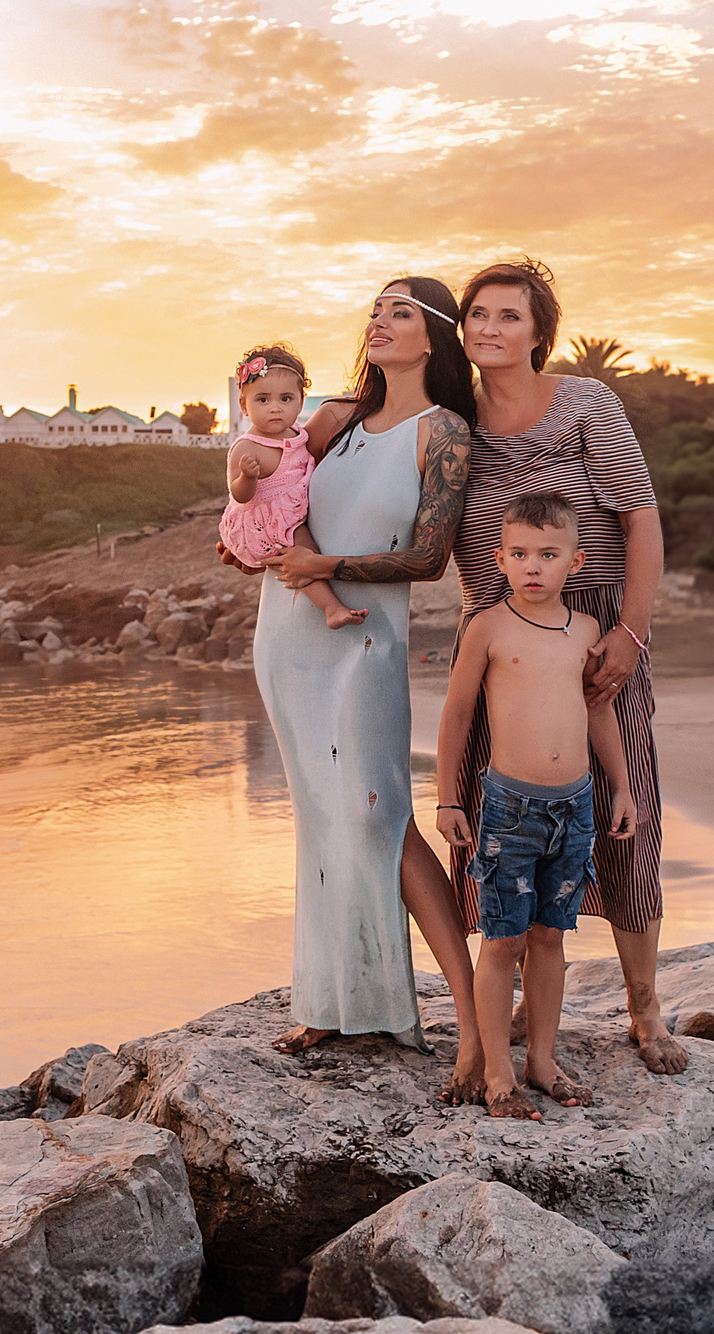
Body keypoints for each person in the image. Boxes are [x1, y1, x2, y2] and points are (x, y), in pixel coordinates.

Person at [229, 278, 486, 1103]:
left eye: (399, 311)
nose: (378, 320)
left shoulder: (442, 432)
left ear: (434, 337)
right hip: (290, 634)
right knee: (322, 815)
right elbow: (271, 491)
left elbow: (430, 558)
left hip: (366, 636)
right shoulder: (331, 416)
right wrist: (246, 534)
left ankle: (475, 1025)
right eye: (376, 309)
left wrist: (326, 566)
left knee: (379, 813)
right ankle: (333, 1002)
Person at [448, 258, 687, 1075]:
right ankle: (508, 1002)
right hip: (498, 640)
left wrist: (631, 632)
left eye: (509, 315)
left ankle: (645, 1006)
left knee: (628, 806)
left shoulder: (587, 403)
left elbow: (641, 520)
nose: (489, 328)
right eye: (478, 313)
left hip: (594, 634)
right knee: (495, 821)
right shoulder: (453, 424)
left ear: (538, 331)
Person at [436, 492, 636, 1120]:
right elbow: (458, 714)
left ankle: (542, 1060)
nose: (532, 566)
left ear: (575, 562)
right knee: (502, 940)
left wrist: (623, 786)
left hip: (574, 808)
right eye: (519, 553)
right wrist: (448, 798)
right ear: (499, 558)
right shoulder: (488, 628)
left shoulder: (585, 631)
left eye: (547, 554)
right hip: (509, 809)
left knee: (550, 936)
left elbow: (598, 711)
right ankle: (497, 1069)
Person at [221, 344, 364, 630]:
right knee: (304, 554)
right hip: (265, 520)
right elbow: (240, 497)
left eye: (285, 398)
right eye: (262, 400)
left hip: (289, 511)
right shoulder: (248, 447)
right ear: (243, 405)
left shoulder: (299, 434)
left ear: (300, 402)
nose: (275, 408)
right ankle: (331, 608)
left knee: (308, 549)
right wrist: (247, 478)